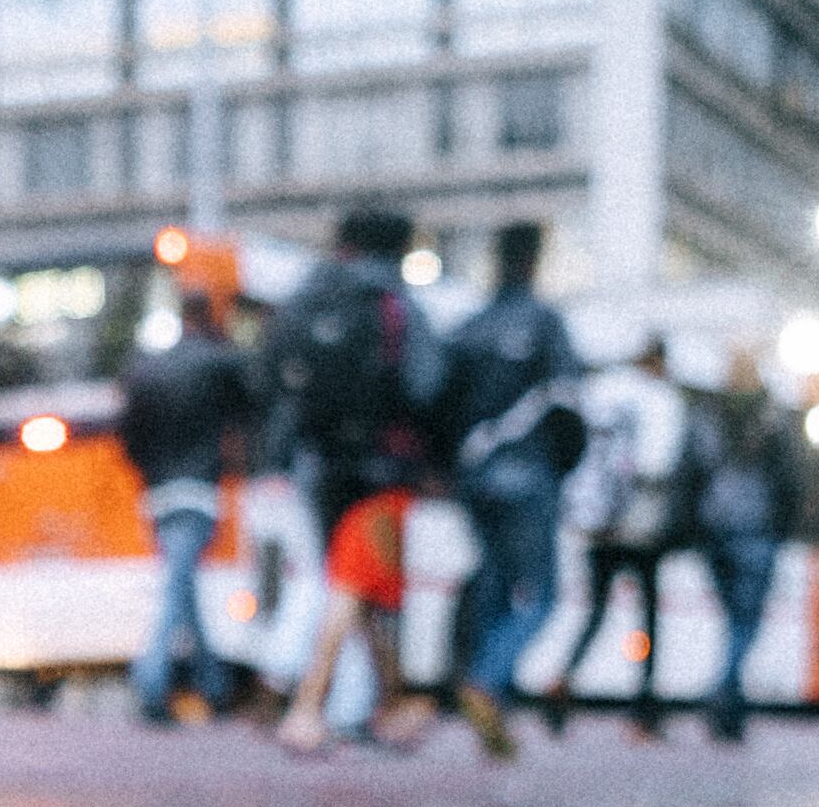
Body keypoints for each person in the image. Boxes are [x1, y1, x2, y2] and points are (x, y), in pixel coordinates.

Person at [266, 204, 441, 751]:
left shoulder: (306, 294)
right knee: (356, 583)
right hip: (382, 465)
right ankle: (307, 706)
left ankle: (387, 704)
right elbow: (424, 386)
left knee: (354, 579)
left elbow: (270, 374)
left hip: (320, 463)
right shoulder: (396, 301)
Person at [430, 219, 580, 756]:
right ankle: (487, 682)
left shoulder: (469, 327)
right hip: (529, 474)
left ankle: (489, 696)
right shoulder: (546, 325)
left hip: (475, 476)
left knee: (491, 579)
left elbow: (439, 405)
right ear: (536, 261)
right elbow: (569, 409)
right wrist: (560, 472)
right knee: (542, 595)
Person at [117, 270, 262, 726]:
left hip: (159, 489)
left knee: (183, 582)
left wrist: (148, 472)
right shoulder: (220, 362)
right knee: (178, 586)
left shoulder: (148, 368)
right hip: (199, 486)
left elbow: (128, 435)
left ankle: (211, 683)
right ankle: (153, 681)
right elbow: (252, 408)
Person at [553, 336, 689, 732]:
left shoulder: (603, 388)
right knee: (647, 617)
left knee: (595, 612)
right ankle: (644, 709)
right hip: (640, 523)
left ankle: (563, 680)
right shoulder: (662, 399)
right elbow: (659, 464)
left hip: (597, 520)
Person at [681, 355, 799, 745]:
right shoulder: (773, 416)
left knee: (733, 621)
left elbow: (689, 470)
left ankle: (731, 711)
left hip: (714, 526)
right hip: (757, 528)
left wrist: (691, 526)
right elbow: (789, 478)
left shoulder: (705, 414)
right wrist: (784, 526)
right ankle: (722, 691)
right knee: (746, 624)